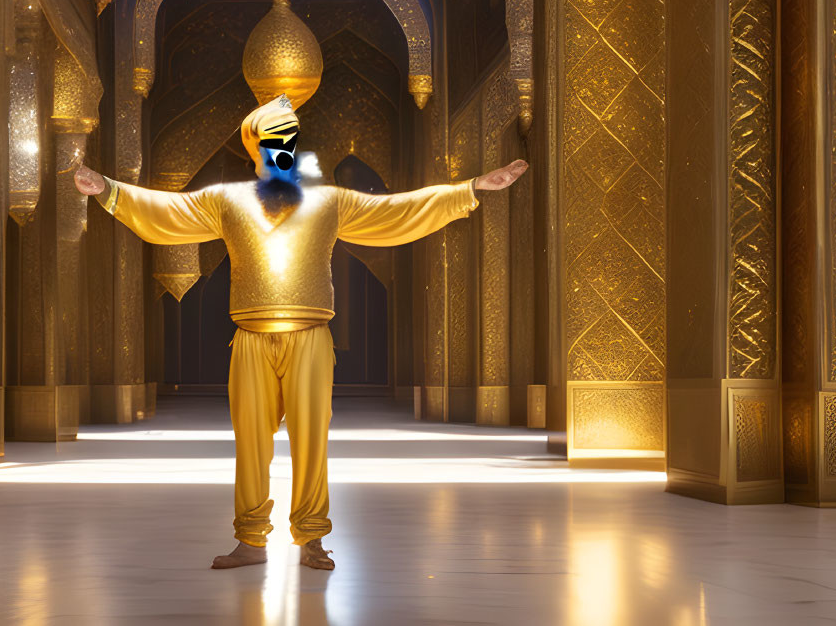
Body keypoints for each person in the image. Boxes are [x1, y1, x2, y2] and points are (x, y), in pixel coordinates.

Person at [75, 93, 527, 572]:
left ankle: (311, 538)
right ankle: (251, 539)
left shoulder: (328, 201)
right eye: (273, 141)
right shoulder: (226, 201)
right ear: (256, 149)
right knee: (251, 442)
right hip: (250, 337)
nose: (282, 149)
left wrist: (473, 187)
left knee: (313, 440)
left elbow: (397, 210)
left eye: (289, 139)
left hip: (311, 336)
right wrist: (106, 189)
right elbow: (168, 211)